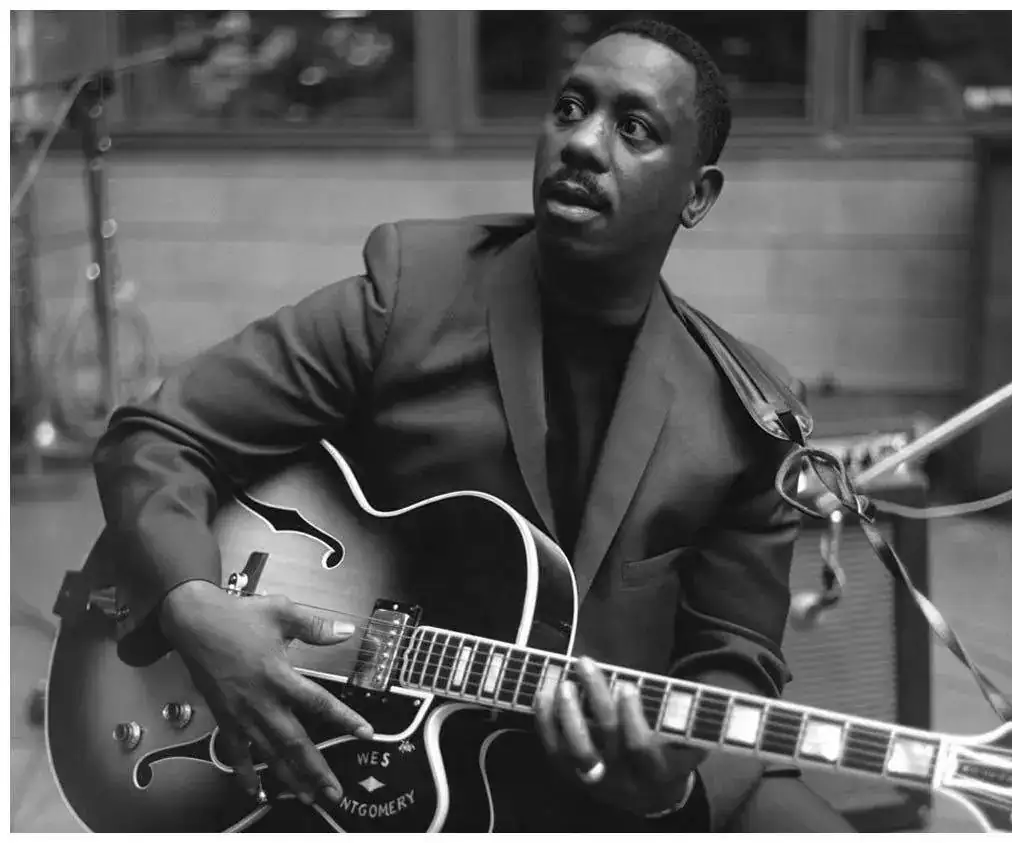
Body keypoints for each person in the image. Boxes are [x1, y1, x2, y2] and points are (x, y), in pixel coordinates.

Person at [92, 18, 854, 833]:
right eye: (570, 108)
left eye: (633, 128)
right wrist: (194, 604)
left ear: (696, 195)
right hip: (371, 768)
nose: (582, 142)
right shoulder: (410, 295)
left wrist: (667, 786)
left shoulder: (747, 416)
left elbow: (737, 661)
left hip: (599, 790)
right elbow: (159, 434)